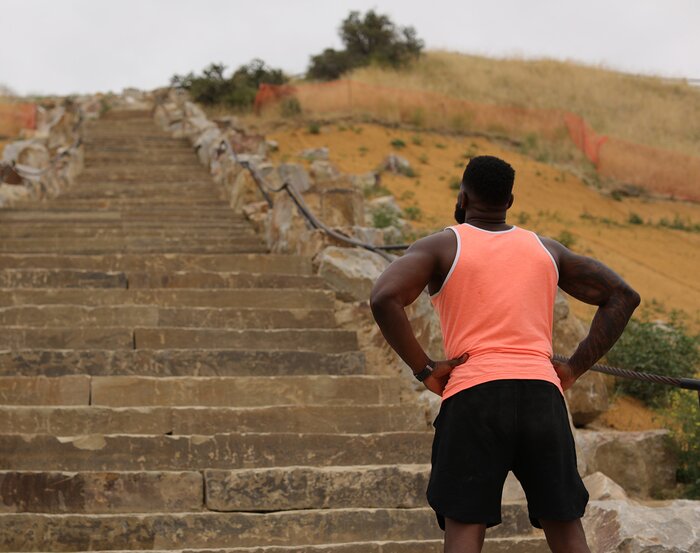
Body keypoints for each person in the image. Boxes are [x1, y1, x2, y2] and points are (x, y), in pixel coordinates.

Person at [370, 155, 641, 553]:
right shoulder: (545, 249)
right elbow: (623, 296)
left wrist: (425, 368)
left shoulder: (442, 246)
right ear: (510, 200)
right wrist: (574, 368)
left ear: (462, 196)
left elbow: (383, 297)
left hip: (473, 397)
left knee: (464, 530)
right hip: (541, 397)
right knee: (566, 530)